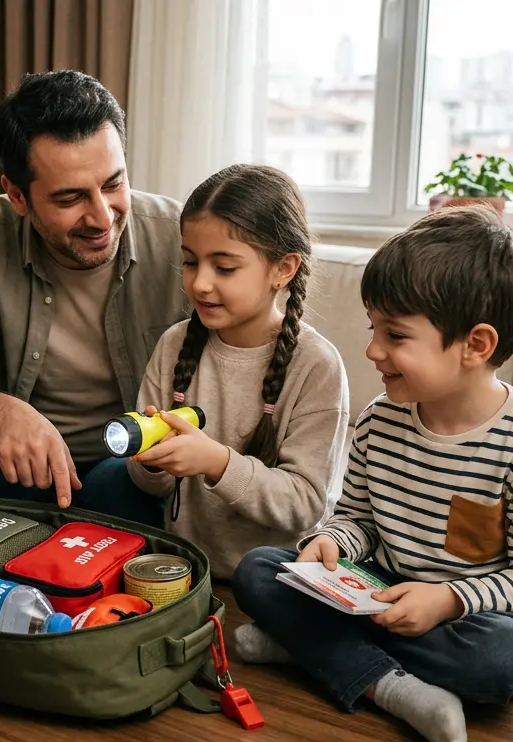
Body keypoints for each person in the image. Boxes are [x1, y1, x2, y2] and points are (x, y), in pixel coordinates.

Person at [230, 205, 513, 742]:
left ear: (476, 345)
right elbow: (359, 519)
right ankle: (392, 687)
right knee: (259, 570)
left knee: (509, 660)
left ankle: (314, 650)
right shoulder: (379, 421)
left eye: (395, 335)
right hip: (382, 594)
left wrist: (448, 599)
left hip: (471, 619)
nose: (373, 350)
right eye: (374, 328)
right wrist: (332, 542)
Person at [0, 70, 186, 521]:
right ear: (17, 196)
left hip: (135, 466)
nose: (102, 217)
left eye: (113, 184)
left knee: (116, 487)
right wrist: (5, 412)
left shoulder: (179, 236)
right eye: (70, 199)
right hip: (25, 463)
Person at [123, 164, 350, 568]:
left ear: (283, 269)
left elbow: (304, 505)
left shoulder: (317, 364)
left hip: (274, 569)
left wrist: (217, 462)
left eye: (224, 267)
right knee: (109, 481)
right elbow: (151, 487)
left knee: (256, 574)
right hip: (188, 561)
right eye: (190, 262)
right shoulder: (175, 343)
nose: (200, 283)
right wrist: (152, 461)